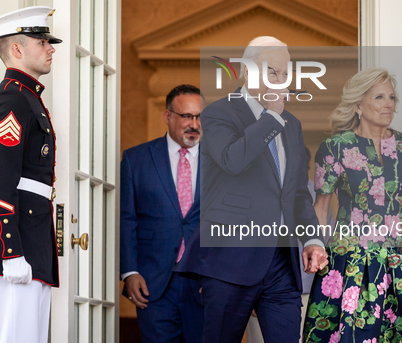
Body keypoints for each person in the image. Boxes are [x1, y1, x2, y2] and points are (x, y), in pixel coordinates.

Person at [177, 36, 328, 343]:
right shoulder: (218, 113)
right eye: (273, 72)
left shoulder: (293, 125)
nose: (282, 81)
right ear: (247, 73)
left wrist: (312, 239)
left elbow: (297, 192)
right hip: (229, 260)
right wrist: (271, 116)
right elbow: (233, 160)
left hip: (281, 263)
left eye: (285, 74)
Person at [303, 68, 402, 342]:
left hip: (401, 263)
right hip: (348, 264)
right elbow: (321, 209)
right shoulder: (334, 148)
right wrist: (317, 249)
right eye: (379, 97)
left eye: (391, 97)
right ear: (358, 105)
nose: (388, 104)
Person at [0, 6, 61, 343]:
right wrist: (10, 250)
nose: (50, 48)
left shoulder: (27, 98)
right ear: (17, 49)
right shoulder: (12, 99)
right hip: (16, 241)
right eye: (42, 41)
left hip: (29, 237)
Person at [120, 85, 204, 342]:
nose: (194, 124)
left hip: (204, 283)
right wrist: (130, 272)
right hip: (153, 283)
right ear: (168, 116)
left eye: (199, 117)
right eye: (186, 116)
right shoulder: (136, 159)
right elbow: (126, 219)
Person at [246, 146, 334, 343]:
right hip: (265, 290)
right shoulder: (258, 192)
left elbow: (325, 243)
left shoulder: (316, 194)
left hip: (308, 290)